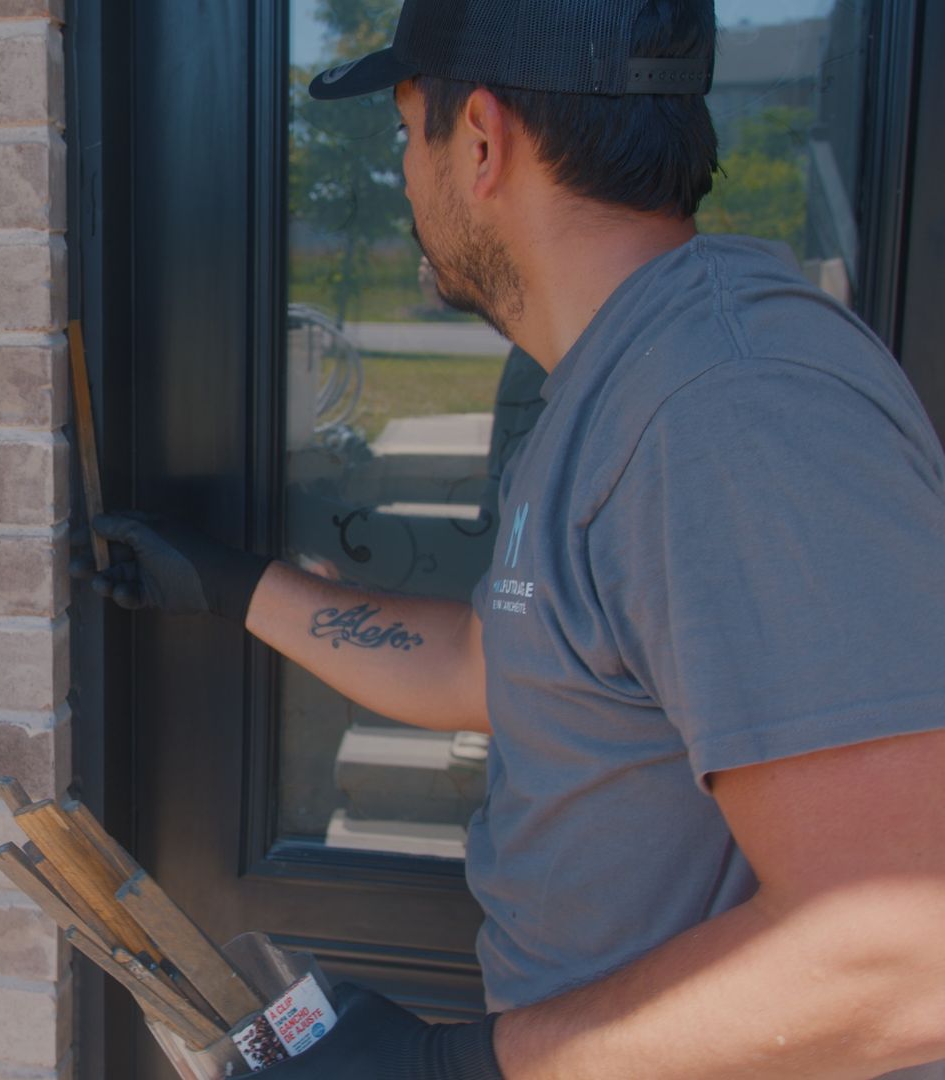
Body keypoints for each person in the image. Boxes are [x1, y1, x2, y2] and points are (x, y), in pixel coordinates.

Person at [75, 1, 945, 1076]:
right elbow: (498, 665)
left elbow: (909, 948)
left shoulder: (732, 403)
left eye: (405, 130)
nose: (401, 171)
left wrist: (462, 1068)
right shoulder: (613, 381)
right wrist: (229, 584)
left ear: (479, 139)